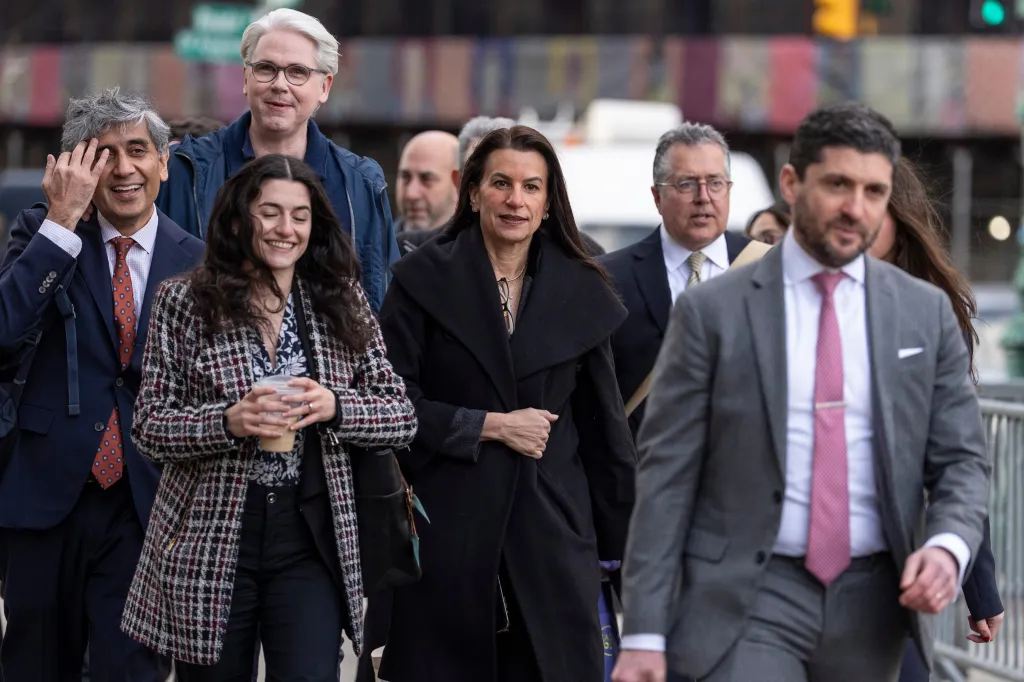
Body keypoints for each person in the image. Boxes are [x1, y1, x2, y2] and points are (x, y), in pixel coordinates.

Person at [613, 102, 991, 682]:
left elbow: (962, 460)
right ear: (791, 184)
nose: (855, 207)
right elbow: (667, 476)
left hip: (877, 601)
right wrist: (643, 633)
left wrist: (949, 546)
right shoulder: (713, 311)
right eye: (838, 184)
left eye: (873, 191)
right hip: (749, 595)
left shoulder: (923, 312)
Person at [120, 154, 417, 680]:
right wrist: (228, 421)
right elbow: (149, 426)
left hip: (310, 531)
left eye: (300, 216)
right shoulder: (184, 301)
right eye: (270, 213)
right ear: (239, 221)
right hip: (211, 536)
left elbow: (400, 414)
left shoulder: (339, 299)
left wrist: (335, 406)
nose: (286, 229)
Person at [377, 125, 637, 682]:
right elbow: (390, 406)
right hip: (448, 534)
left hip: (552, 537)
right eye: (501, 183)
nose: (515, 200)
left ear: (548, 202)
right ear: (473, 193)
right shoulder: (421, 281)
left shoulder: (583, 288)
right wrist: (488, 426)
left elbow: (605, 434)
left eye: (531, 187)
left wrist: (623, 553)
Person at [0, 87, 204, 681]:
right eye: (103, 154)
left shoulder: (200, 262)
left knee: (131, 672)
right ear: (78, 168)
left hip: (147, 504)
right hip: (46, 496)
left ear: (163, 162)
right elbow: (5, 334)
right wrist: (63, 221)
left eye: (137, 150)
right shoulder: (43, 233)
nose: (122, 168)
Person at [156, 8, 398, 313]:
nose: (280, 84)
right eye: (266, 68)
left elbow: (381, 303)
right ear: (246, 77)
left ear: (324, 87)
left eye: (297, 72)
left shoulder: (360, 184)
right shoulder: (185, 171)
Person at [868, 157, 1004, 682]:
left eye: (872, 199)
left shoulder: (935, 313)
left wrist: (979, 587)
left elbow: (956, 457)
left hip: (899, 560)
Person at [600, 123, 749, 438]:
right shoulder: (609, 279)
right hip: (645, 461)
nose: (703, 197)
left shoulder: (765, 267)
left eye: (715, 183)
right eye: (686, 184)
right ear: (657, 197)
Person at [394, 130, 460, 233]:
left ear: (458, 184)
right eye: (405, 177)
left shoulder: (481, 242)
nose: (411, 194)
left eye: (426, 179)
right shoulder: (374, 241)